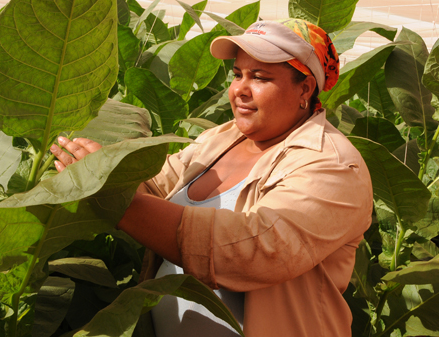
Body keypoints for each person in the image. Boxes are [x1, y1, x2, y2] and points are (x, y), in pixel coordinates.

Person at [51, 18, 373, 337]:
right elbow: (155, 184)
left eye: (259, 77)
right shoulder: (221, 138)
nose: (240, 90)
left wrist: (118, 201)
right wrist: (107, 170)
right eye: (237, 75)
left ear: (305, 88)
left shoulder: (332, 165)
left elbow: (257, 249)